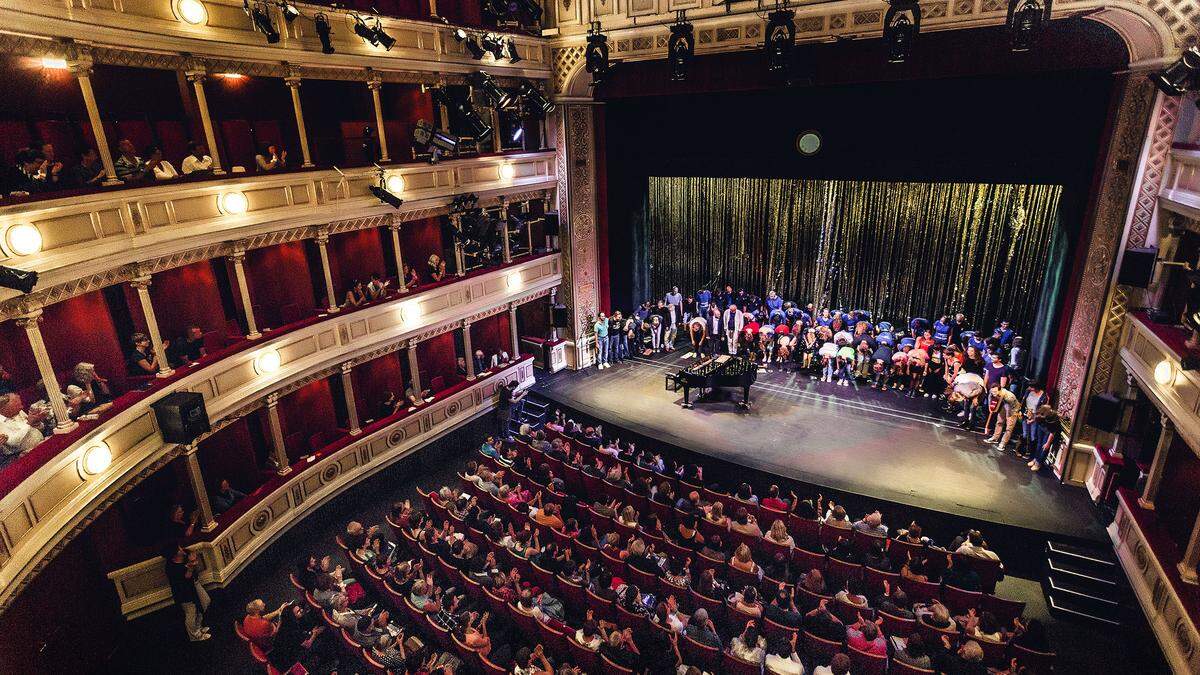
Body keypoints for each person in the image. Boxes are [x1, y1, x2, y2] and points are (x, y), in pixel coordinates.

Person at [165, 544, 210, 641]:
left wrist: (192, 560)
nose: (181, 549)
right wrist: (190, 567)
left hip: (194, 585)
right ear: (175, 554)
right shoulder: (171, 567)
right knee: (191, 613)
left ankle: (198, 627)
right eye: (179, 548)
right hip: (184, 593)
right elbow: (185, 578)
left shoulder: (184, 556)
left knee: (205, 602)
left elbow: (191, 555)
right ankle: (195, 636)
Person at [0, 393, 47, 460]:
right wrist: (29, 423)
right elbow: (13, 442)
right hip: (25, 456)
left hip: (42, 443)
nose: (21, 407)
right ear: (4, 408)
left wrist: (37, 422)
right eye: (16, 403)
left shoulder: (18, 411)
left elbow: (39, 428)